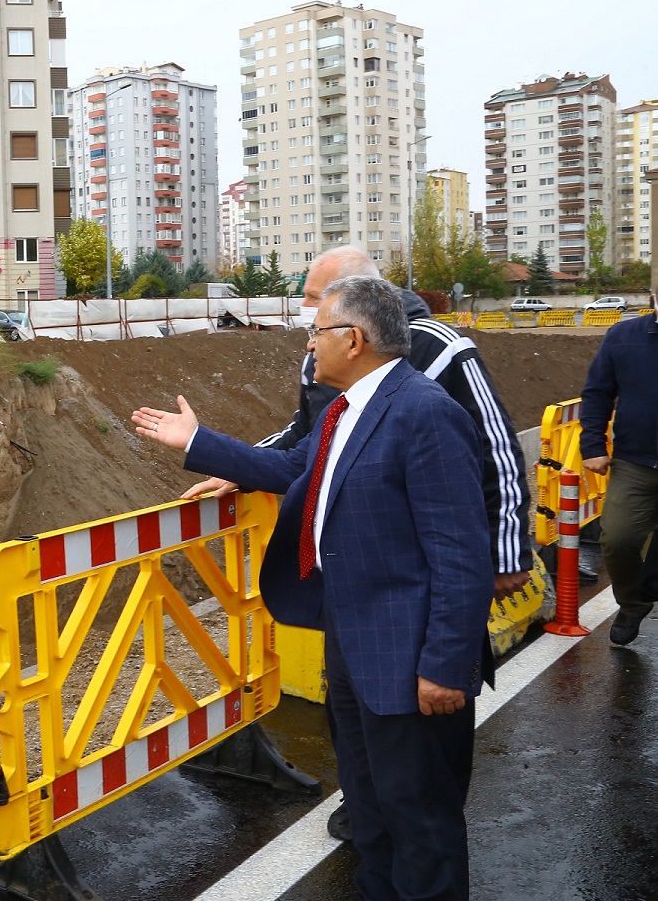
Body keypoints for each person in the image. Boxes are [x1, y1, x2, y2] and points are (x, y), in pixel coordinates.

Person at [134, 275, 493, 901]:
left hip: (409, 660)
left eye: (316, 333)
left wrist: (443, 664)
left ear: (352, 339)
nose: (309, 345)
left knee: (419, 819)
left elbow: (462, 553)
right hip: (353, 645)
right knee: (372, 812)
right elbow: (295, 468)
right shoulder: (347, 409)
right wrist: (199, 446)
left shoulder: (425, 414)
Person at [185, 246, 532, 843]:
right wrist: (231, 458)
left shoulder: (438, 362)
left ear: (356, 323)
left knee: (419, 795)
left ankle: (412, 837)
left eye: (315, 305)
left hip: (408, 596)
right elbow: (307, 441)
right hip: (351, 599)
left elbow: (496, 449)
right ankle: (372, 816)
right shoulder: (331, 371)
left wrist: (507, 550)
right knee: (368, 759)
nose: (305, 323)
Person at [578, 290, 658, 645]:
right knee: (618, 539)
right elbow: (597, 392)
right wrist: (592, 445)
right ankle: (633, 603)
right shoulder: (624, 338)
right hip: (635, 461)